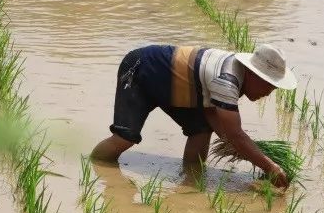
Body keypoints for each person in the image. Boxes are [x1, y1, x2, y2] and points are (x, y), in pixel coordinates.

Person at [91, 43, 298, 187]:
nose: (268, 93)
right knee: (124, 138)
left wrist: (242, 148)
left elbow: (213, 115)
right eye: (269, 86)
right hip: (140, 71)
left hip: (175, 84)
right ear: (254, 74)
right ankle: (93, 167)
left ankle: (190, 182)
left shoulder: (235, 74)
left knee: (200, 131)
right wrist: (271, 166)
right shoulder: (226, 80)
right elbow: (235, 135)